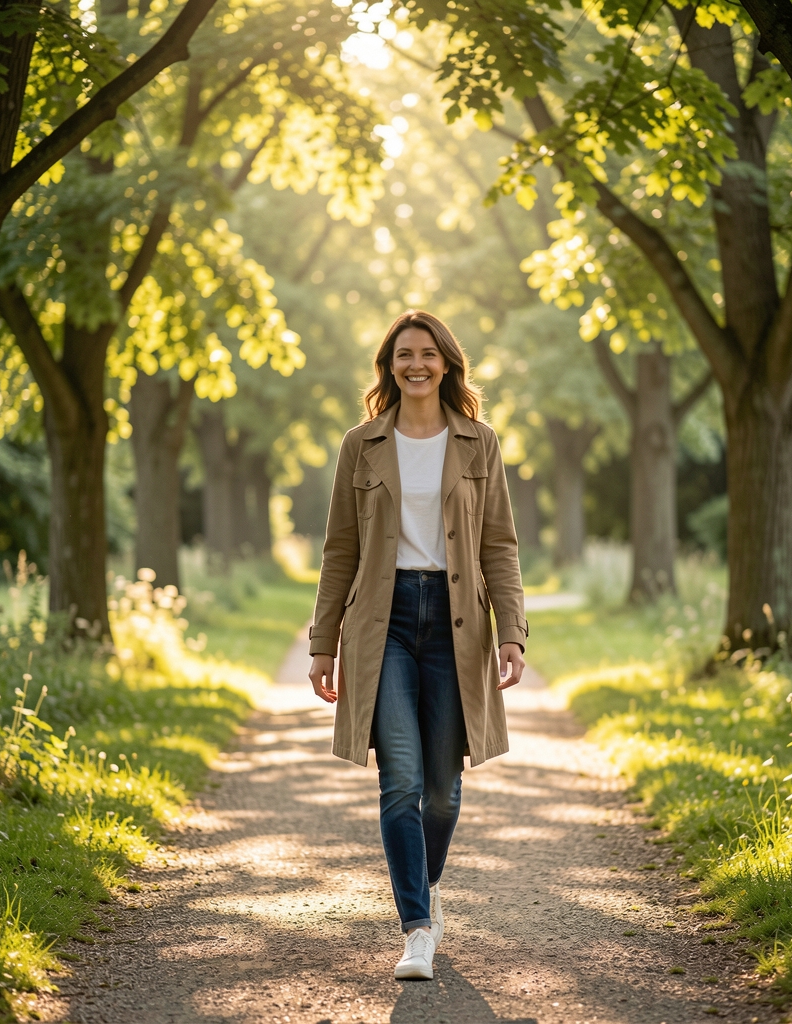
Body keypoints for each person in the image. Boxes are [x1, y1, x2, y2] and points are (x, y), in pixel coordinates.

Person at [308, 309, 528, 980]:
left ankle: (422, 884)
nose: (416, 364)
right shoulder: (362, 444)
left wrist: (512, 631)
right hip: (384, 622)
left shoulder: (478, 442)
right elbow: (340, 547)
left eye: (428, 353)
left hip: (458, 623)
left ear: (447, 363)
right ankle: (418, 927)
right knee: (399, 781)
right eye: (404, 353)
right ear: (389, 365)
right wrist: (323, 642)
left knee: (441, 793)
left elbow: (499, 545)